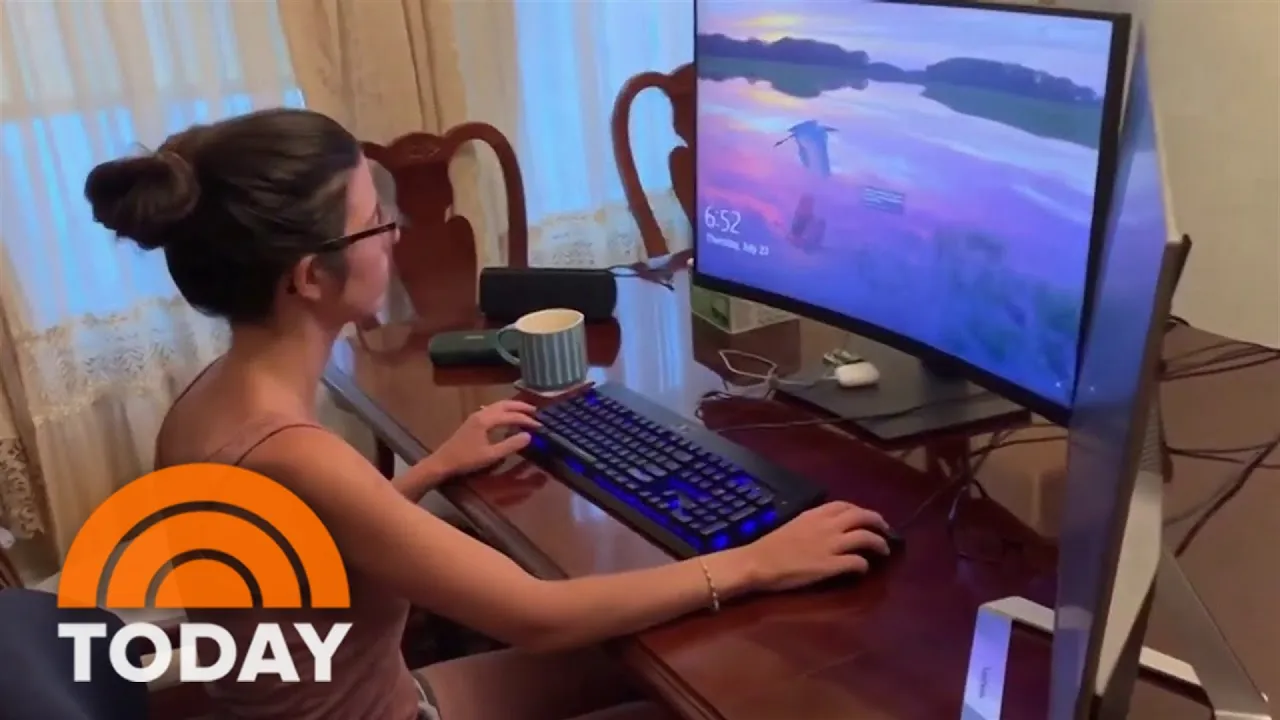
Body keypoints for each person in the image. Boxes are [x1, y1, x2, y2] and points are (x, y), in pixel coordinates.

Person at [83, 108, 893, 720]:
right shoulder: (293, 453)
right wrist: (757, 563)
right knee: (694, 693)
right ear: (308, 277)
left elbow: (308, 555)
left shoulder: (208, 401)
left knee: (636, 660)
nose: (394, 237)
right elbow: (534, 616)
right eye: (374, 222)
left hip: (366, 698)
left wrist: (431, 471)